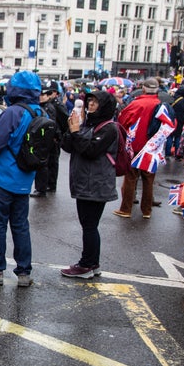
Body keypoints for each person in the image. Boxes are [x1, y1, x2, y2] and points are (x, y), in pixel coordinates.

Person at [0, 71, 44, 287]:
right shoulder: (39, 111)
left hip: (2, 177)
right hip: (25, 179)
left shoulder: (12, 113)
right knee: (20, 225)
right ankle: (24, 272)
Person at [59, 91, 119, 278]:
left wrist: (76, 132)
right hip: (85, 182)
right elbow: (68, 146)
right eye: (89, 102)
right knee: (89, 224)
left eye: (95, 103)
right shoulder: (87, 124)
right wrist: (71, 129)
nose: (91, 105)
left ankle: (86, 265)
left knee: (89, 225)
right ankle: (92, 263)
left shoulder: (109, 128)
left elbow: (90, 150)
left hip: (96, 183)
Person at [113, 77, 174, 219]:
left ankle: (126, 209)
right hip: (152, 148)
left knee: (130, 178)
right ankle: (147, 211)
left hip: (135, 146)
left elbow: (122, 121)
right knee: (149, 180)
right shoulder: (162, 105)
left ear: (144, 88)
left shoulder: (136, 103)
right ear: (157, 90)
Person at [31, 81, 68, 197]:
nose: (41, 97)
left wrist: (58, 136)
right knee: (48, 163)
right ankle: (47, 185)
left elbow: (54, 124)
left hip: (49, 140)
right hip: (47, 140)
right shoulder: (44, 107)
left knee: (48, 163)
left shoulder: (50, 107)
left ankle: (46, 186)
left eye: (44, 94)